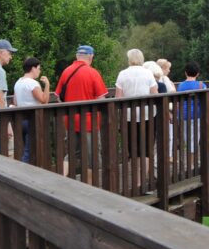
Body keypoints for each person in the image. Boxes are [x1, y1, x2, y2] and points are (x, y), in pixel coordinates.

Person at [55, 45, 109, 178]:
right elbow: (101, 98)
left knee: (72, 153)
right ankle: (91, 187)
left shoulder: (66, 71)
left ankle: (61, 179)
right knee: (92, 156)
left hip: (70, 120)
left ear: (77, 56)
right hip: (89, 122)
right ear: (91, 57)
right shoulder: (93, 72)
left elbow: (57, 96)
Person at [116, 49, 158, 162]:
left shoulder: (122, 74)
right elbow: (155, 94)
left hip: (129, 116)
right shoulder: (148, 73)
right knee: (147, 147)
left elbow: (118, 98)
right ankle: (142, 179)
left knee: (133, 147)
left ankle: (136, 178)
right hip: (148, 114)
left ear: (129, 59)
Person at [14, 56, 50, 162]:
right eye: (39, 68)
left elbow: (15, 102)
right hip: (32, 120)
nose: (39, 71)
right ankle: (22, 175)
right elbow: (44, 100)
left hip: (21, 119)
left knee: (27, 149)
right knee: (29, 152)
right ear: (33, 68)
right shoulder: (32, 83)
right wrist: (47, 85)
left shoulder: (18, 82)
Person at [177, 61, 208, 153]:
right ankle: (193, 156)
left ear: (185, 72)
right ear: (198, 74)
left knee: (187, 135)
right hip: (197, 114)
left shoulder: (180, 85)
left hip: (184, 115)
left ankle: (190, 155)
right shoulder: (202, 85)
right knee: (196, 135)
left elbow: (179, 101)